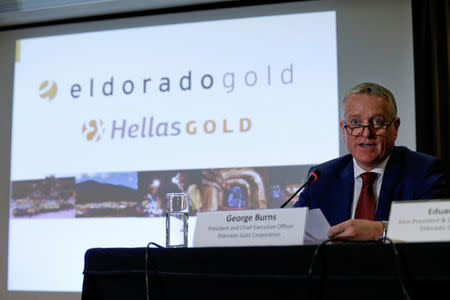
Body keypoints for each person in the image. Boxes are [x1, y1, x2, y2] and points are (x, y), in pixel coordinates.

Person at [294, 82, 447, 240]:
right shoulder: (321, 177)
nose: (366, 133)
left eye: (377, 122)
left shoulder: (424, 172)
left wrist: (380, 230)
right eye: (355, 123)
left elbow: (436, 229)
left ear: (395, 127)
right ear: (343, 130)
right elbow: (294, 232)